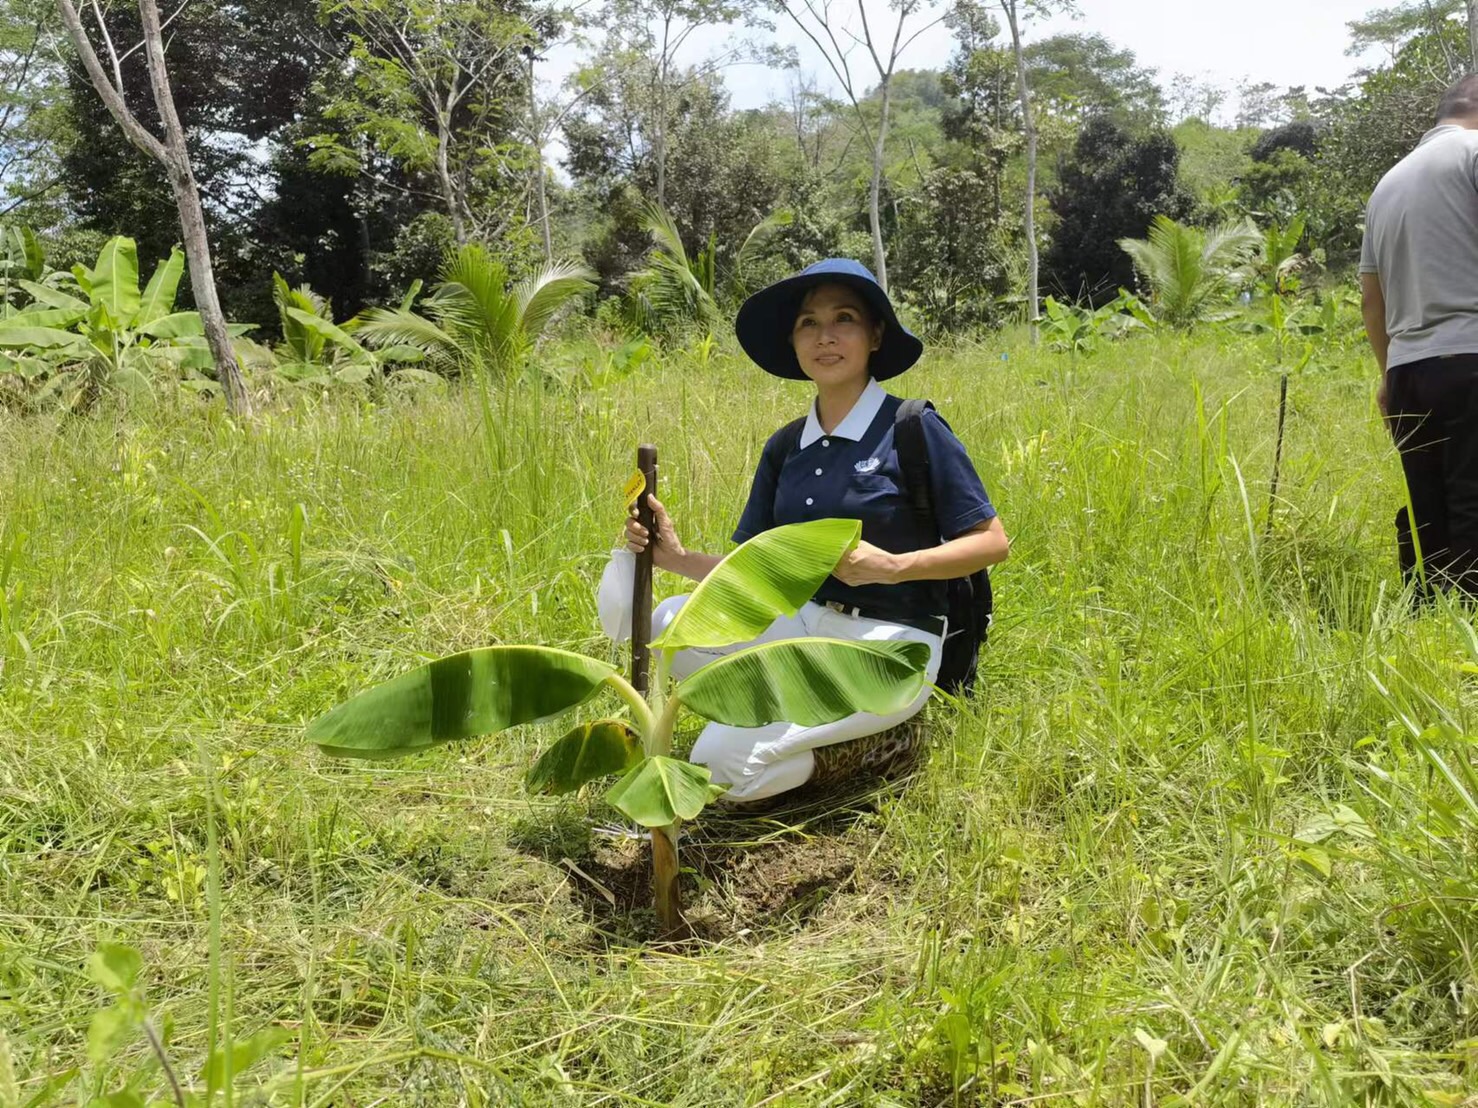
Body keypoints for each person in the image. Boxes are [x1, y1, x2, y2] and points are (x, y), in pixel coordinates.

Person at [621, 258, 1008, 803]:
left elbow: (993, 543)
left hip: (891, 646)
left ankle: (877, 746)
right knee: (671, 629)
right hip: (803, 627)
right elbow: (756, 571)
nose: (825, 337)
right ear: (794, 341)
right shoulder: (786, 447)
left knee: (721, 764)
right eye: (808, 323)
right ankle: (804, 715)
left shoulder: (912, 427)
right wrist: (674, 557)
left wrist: (894, 567)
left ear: (875, 335)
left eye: (844, 318)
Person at [1361, 74, 1478, 600]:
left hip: (1408, 370)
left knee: (1430, 512)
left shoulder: (1387, 183)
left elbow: (1371, 297)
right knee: (1474, 506)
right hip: (1471, 356)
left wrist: (1389, 375)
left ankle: (1431, 628)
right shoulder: (1474, 153)